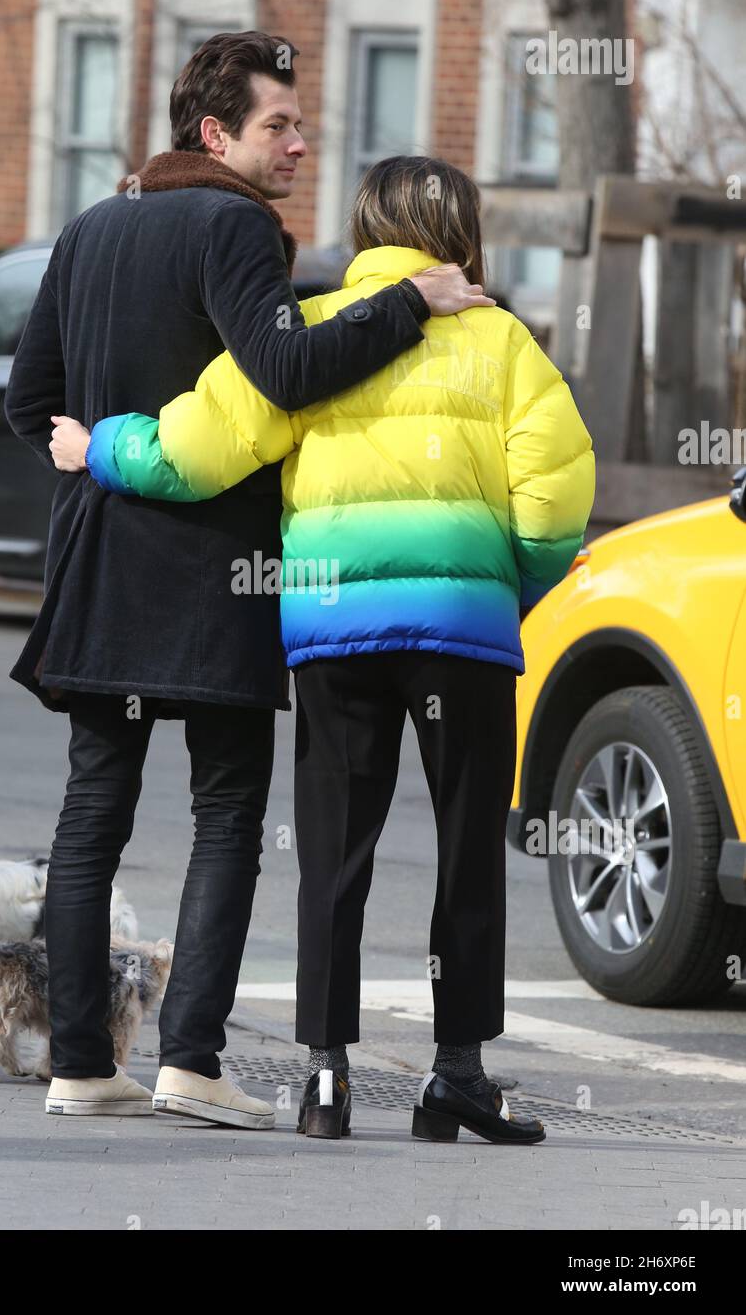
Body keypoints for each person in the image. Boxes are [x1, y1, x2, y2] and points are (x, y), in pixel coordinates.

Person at [56, 155, 596, 1144]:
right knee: (467, 850)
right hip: (460, 633)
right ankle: (456, 1077)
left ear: (360, 232)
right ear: (461, 235)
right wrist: (497, 586)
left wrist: (98, 445)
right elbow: (557, 494)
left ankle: (324, 1079)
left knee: (333, 858)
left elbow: (195, 449)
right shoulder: (504, 343)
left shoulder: (303, 333)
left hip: (333, 628)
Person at [5, 32, 492, 1126]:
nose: (299, 142)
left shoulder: (91, 226)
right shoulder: (232, 225)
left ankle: (80, 1065)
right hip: (211, 571)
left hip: (96, 565)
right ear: (215, 134)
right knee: (226, 810)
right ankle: (189, 1060)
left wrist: (97, 456)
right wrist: (409, 300)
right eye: (278, 124)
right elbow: (282, 374)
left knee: (93, 814)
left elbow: (28, 400)